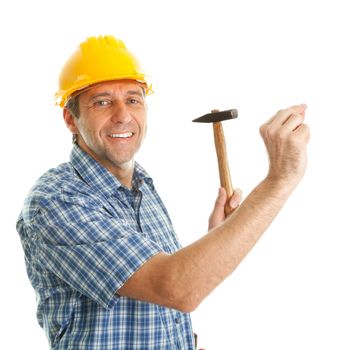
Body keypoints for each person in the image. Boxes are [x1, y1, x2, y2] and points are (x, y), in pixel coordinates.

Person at [16, 35, 310, 350]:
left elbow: (160, 295)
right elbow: (177, 288)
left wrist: (218, 238)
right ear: (71, 119)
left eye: (133, 99)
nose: (122, 114)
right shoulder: (55, 201)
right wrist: (280, 179)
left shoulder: (142, 185)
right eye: (102, 101)